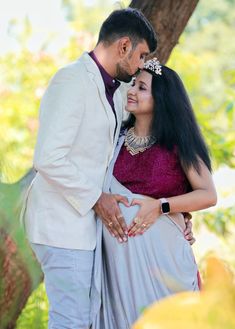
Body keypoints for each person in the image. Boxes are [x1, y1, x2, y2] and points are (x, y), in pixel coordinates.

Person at [22, 8, 157, 329]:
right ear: (123, 46)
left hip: (81, 227)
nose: (141, 66)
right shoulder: (71, 80)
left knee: (83, 319)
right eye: (141, 55)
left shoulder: (118, 88)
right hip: (60, 226)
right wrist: (96, 198)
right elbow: (48, 157)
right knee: (71, 322)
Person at [93, 58, 217, 328]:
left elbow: (208, 194)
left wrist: (161, 206)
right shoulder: (114, 138)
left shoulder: (177, 143)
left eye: (142, 87)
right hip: (118, 268)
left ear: (161, 98)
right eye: (133, 85)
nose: (133, 91)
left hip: (164, 265)